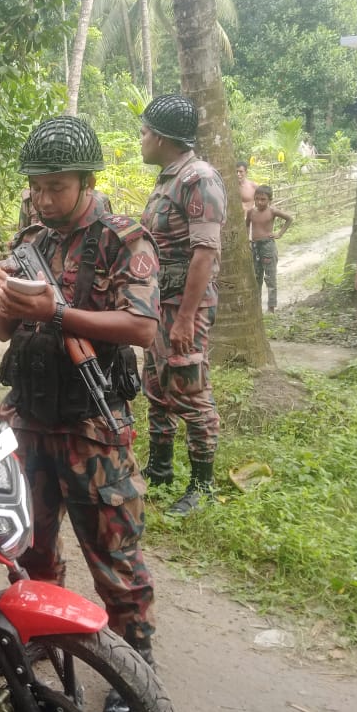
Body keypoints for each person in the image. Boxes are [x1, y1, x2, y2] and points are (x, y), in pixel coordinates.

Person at [0, 115, 160, 712]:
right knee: (31, 547)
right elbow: (4, 329)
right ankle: (42, 640)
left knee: (114, 554)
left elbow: (141, 327)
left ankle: (134, 669)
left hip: (92, 426)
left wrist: (57, 311)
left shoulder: (123, 239)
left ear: (87, 181)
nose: (43, 197)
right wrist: (3, 302)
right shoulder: (30, 238)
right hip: (29, 420)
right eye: (36, 186)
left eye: (56, 186)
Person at [138, 94, 226, 516]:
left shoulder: (199, 178)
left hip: (182, 306)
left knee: (190, 390)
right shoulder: (168, 179)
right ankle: (159, 469)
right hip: (159, 304)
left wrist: (186, 317)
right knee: (156, 387)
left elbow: (205, 253)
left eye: (143, 132)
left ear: (161, 137)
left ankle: (202, 485)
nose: (140, 140)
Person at [246, 184, 292, 313]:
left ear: (269, 200)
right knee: (256, 277)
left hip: (268, 246)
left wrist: (279, 234)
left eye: (263, 199)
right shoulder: (251, 212)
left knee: (270, 277)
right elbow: (246, 225)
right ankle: (256, 307)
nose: (259, 202)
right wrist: (247, 240)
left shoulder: (272, 211)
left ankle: (271, 307)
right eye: (257, 199)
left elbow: (289, 219)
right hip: (255, 246)